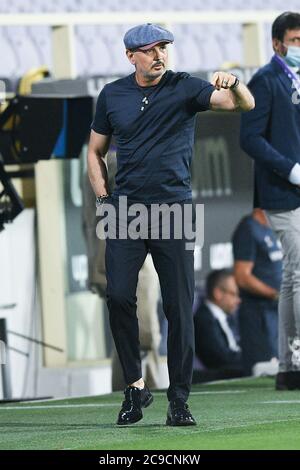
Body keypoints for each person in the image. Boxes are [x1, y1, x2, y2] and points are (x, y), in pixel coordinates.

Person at [87, 23, 254, 426]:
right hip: (125, 212)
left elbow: (241, 105)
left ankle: (179, 399)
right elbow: (95, 152)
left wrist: (235, 84)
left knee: (179, 306)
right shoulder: (112, 95)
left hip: (175, 210)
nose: (159, 54)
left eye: (164, 47)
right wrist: (103, 199)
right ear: (131, 56)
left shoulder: (185, 86)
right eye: (150, 50)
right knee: (119, 297)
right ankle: (135, 388)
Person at [240, 12, 300, 390]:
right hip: (282, 192)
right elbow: (250, 138)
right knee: (299, 272)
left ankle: (290, 366)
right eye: (296, 40)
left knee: (294, 277)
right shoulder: (264, 80)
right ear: (277, 43)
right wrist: (290, 169)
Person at [232, 208, 282, 375]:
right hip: (258, 316)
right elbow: (242, 276)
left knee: (280, 368)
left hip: (277, 314)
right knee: (262, 370)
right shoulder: (249, 229)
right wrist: (276, 294)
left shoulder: (274, 228)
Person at [194, 270, 243, 379]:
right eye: (234, 294)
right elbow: (220, 359)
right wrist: (253, 358)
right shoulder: (204, 319)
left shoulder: (226, 318)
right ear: (218, 293)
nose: (238, 300)